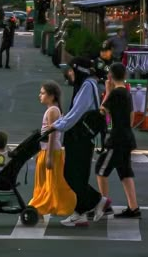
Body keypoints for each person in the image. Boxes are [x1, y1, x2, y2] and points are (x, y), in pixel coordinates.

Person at [45, 57, 110, 227]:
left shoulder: (87, 86)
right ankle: (82, 211)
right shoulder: (85, 85)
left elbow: (76, 113)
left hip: (81, 138)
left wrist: (57, 126)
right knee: (76, 175)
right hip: (79, 137)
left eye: (72, 71)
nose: (69, 74)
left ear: (79, 71)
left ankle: (95, 202)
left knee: (73, 175)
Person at [95, 62, 141, 218]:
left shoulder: (115, 94)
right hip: (127, 137)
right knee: (125, 173)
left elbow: (102, 111)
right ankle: (133, 208)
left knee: (101, 170)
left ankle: (105, 205)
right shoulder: (127, 93)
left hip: (116, 139)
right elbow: (132, 115)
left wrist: (107, 91)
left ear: (110, 76)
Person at [29, 81, 76, 217]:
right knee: (44, 183)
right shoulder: (52, 110)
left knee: (50, 183)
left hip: (51, 151)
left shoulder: (53, 111)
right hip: (47, 150)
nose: (40, 95)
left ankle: (39, 208)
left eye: (43, 93)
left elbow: (52, 135)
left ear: (52, 96)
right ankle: (39, 208)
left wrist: (49, 156)